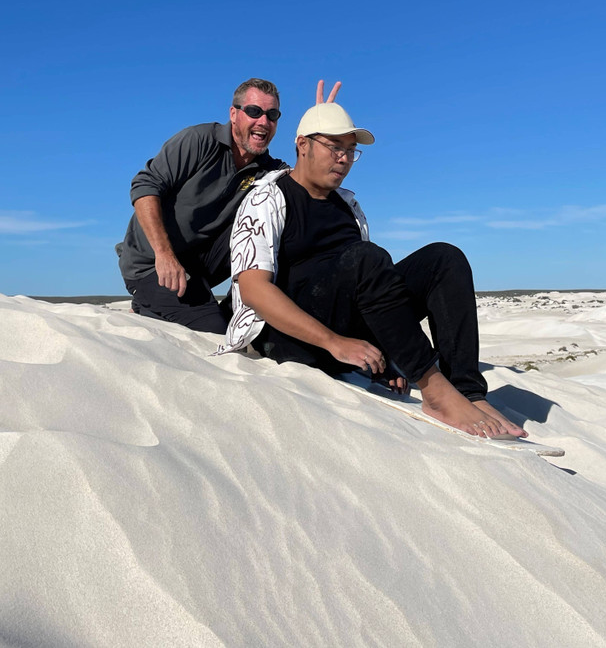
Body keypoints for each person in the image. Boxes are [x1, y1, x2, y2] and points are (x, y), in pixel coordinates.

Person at [217, 101, 527, 438]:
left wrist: (388, 355)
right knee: (366, 257)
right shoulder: (268, 197)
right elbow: (253, 290)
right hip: (291, 337)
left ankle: (468, 393)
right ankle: (435, 392)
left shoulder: (348, 206)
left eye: (350, 151)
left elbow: (374, 292)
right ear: (302, 144)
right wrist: (334, 342)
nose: (344, 158)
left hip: (346, 326)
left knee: (444, 259)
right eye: (334, 147)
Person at [116, 78, 340, 333]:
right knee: (215, 331)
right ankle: (147, 304)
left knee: (283, 209)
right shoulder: (198, 141)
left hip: (201, 266)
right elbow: (145, 186)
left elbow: (303, 184)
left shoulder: (269, 170)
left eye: (272, 115)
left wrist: (321, 134)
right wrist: (164, 255)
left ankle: (237, 305)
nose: (263, 122)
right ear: (234, 114)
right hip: (152, 262)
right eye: (254, 112)